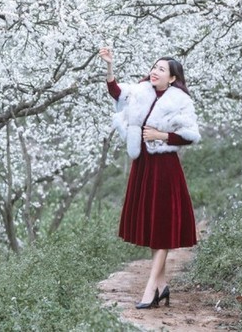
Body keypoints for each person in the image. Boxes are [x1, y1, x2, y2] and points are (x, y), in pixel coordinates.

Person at [99, 46, 200, 309]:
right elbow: (117, 93)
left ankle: (150, 289)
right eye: (154, 67)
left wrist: (162, 136)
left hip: (165, 167)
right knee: (155, 227)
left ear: (173, 78)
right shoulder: (141, 91)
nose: (154, 72)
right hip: (143, 166)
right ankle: (162, 285)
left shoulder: (181, 100)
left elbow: (190, 135)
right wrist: (110, 67)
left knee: (163, 226)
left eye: (161, 69)